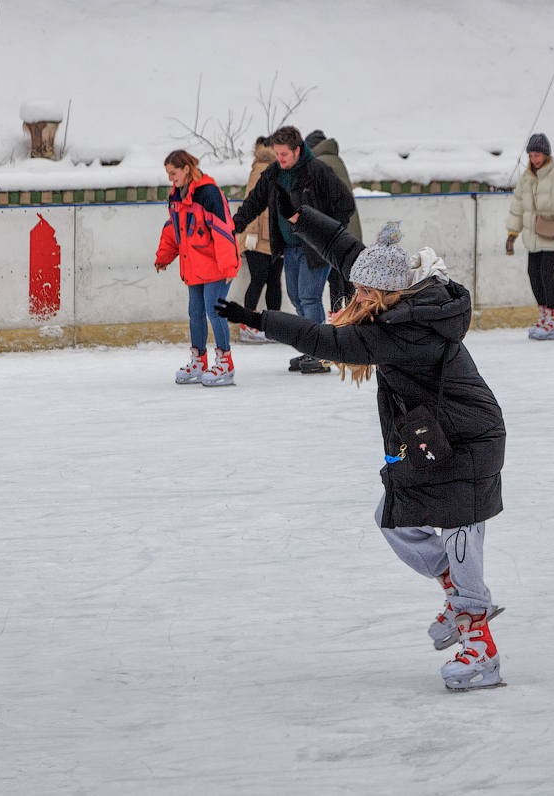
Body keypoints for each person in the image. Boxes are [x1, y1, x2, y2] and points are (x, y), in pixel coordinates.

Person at [216, 198, 508, 692]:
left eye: (363, 291)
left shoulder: (404, 332)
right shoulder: (395, 289)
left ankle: (480, 644)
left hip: (469, 439)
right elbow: (346, 249)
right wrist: (301, 216)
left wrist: (259, 318)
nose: (356, 294)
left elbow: (324, 341)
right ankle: (458, 591)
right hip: (435, 437)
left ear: (385, 292)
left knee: (461, 534)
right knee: (394, 518)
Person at [232, 125, 356, 374]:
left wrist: (329, 233)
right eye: (276, 154)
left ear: (297, 150)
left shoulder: (317, 171)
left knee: (309, 297)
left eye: (284, 154)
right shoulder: (274, 173)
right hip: (290, 247)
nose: (279, 159)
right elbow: (254, 201)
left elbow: (346, 203)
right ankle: (310, 345)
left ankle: (320, 353)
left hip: (315, 248)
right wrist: (234, 226)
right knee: (297, 298)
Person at [155, 149, 241, 385]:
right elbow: (174, 229)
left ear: (186, 169)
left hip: (217, 265)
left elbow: (224, 229)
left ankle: (226, 364)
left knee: (214, 309)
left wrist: (228, 265)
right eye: (168, 174)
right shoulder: (176, 196)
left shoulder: (208, 193)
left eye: (173, 173)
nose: (170, 178)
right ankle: (199, 361)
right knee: (195, 311)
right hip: (194, 266)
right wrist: (164, 256)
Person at [506, 133, 554, 340]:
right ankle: (544, 316)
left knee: (546, 274)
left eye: (537, 155)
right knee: (533, 273)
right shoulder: (526, 178)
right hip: (534, 235)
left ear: (546, 155)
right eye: (531, 155)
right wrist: (512, 233)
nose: (534, 159)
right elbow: (517, 207)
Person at [306, 129, 363, 314]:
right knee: (347, 275)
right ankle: (351, 313)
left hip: (337, 230)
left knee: (335, 275)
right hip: (350, 228)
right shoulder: (337, 160)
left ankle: (337, 315)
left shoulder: (321, 163)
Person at [236, 137, 283, 344]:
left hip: (274, 237)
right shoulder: (261, 169)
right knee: (259, 279)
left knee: (274, 281)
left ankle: (276, 326)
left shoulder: (278, 169)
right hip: (258, 238)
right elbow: (252, 201)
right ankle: (247, 325)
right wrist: (252, 232)